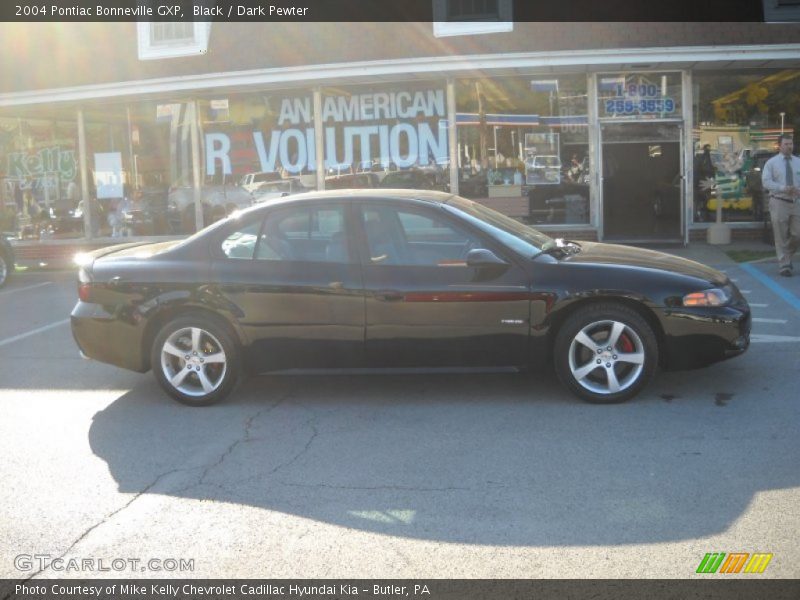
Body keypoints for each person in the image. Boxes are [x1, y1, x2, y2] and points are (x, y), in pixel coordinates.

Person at [762, 133, 800, 277]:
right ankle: (784, 264)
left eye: (791, 144)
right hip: (779, 201)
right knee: (781, 235)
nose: (789, 147)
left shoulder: (798, 162)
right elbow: (766, 182)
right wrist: (783, 188)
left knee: (797, 234)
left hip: (796, 203)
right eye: (786, 144)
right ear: (780, 145)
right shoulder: (771, 163)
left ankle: (787, 255)